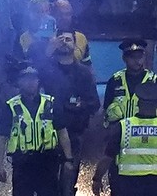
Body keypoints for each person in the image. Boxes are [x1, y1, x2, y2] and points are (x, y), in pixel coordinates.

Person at [97, 74, 157, 196]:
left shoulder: (123, 127)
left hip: (126, 185)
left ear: (138, 104)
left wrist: (97, 178)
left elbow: (107, 158)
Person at [36, 29, 100, 196]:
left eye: (68, 39)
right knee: (46, 184)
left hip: (74, 133)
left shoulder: (84, 73)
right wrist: (48, 50)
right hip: (46, 135)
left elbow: (94, 103)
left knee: (68, 182)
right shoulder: (45, 71)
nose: (64, 42)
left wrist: (78, 106)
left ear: (75, 44)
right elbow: (27, 74)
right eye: (61, 39)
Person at [0, 65, 63, 196]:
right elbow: (1, 138)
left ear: (38, 81)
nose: (31, 82)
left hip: (47, 161)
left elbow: (62, 131)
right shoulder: (11, 106)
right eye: (26, 79)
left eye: (34, 79)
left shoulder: (50, 103)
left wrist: (68, 159)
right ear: (19, 82)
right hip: (22, 163)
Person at [105, 38, 157, 125]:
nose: (136, 60)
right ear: (124, 58)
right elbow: (106, 109)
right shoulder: (115, 81)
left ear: (144, 57)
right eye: (132, 57)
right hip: (119, 133)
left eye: (139, 57)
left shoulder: (154, 81)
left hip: (147, 133)